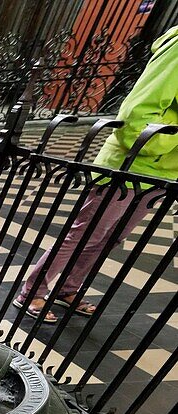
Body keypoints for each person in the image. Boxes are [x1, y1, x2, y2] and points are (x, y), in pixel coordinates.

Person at [16, 26, 178, 322]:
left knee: (112, 238)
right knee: (85, 233)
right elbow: (136, 113)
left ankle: (68, 288)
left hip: (165, 171)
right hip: (130, 164)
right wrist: (170, 140)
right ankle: (33, 291)